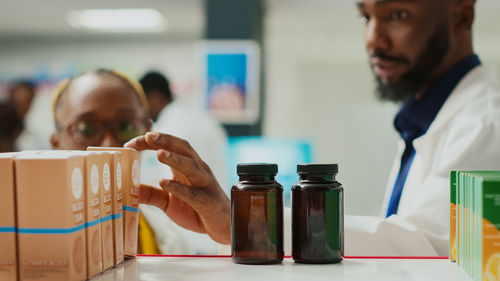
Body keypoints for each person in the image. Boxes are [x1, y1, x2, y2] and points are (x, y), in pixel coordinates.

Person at [126, 0, 500, 256]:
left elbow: (435, 247)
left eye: (398, 14)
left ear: (461, 13)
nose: (373, 39)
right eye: (366, 17)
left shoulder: (485, 123)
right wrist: (241, 226)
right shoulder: (426, 119)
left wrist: (250, 224)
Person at [50, 69, 191, 254]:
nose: (109, 146)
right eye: (85, 129)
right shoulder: (32, 240)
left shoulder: (167, 239)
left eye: (127, 126)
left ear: (147, 132)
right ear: (56, 142)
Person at [139, 71, 228, 254]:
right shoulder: (206, 119)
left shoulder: (167, 126)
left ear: (154, 97)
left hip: (188, 236)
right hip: (220, 231)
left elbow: (169, 184)